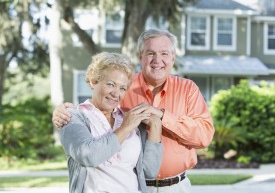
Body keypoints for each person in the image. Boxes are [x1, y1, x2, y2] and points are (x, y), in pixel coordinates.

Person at [53, 29, 215, 193]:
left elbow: (204, 137)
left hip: (176, 186)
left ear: (173, 58)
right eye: (151, 53)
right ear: (140, 57)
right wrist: (62, 112)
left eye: (164, 53)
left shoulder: (187, 89)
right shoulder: (125, 85)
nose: (157, 60)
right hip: (140, 185)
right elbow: (95, 110)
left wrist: (162, 116)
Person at [56, 52, 163, 193]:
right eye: (111, 84)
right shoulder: (73, 117)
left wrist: (156, 125)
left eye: (122, 88)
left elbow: (149, 171)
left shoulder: (129, 119)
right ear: (93, 81)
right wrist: (126, 127)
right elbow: (88, 156)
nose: (116, 93)